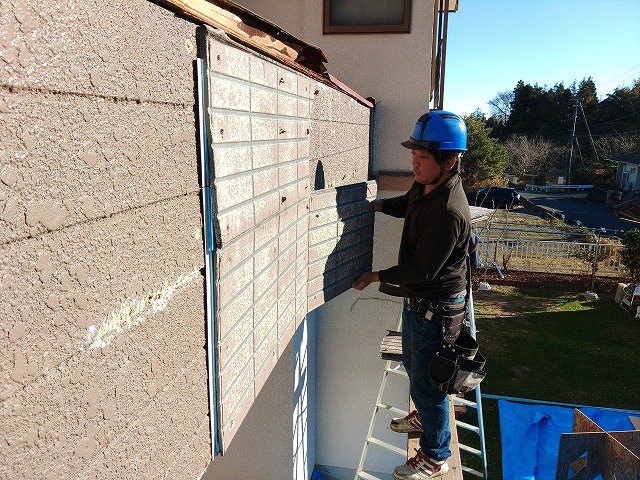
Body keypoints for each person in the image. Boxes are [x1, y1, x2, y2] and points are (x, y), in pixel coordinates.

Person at [352, 110, 471, 479]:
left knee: (429, 382)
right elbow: (409, 203)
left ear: (449, 161)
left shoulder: (449, 212)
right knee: (412, 363)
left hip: (436, 305)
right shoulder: (427, 185)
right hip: (421, 301)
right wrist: (380, 205)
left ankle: (436, 455)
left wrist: (374, 275)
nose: (414, 164)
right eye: (413, 156)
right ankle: (425, 413)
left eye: (422, 158)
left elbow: (421, 271)